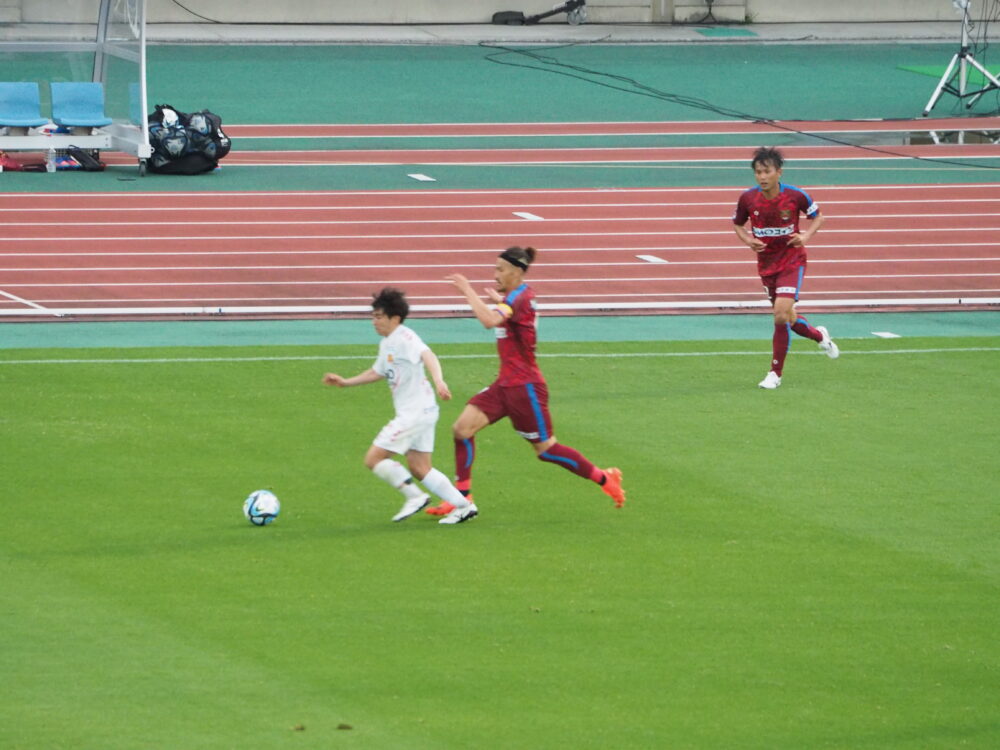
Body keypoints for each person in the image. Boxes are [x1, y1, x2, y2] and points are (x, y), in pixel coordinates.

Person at [424, 245, 625, 516]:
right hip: (504, 385)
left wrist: (467, 291)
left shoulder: (518, 298)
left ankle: (604, 477)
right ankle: (462, 497)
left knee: (546, 449)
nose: (495, 274)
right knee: (462, 430)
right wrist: (498, 301)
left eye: (500, 269)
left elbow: (488, 321)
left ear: (516, 272)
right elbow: (509, 317)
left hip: (525, 388)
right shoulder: (515, 297)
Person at [323, 287, 477, 525]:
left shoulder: (406, 337)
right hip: (425, 412)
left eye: (378, 317)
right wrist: (345, 382)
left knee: (373, 458)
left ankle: (414, 496)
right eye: (372, 316)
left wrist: (438, 379)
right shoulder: (387, 343)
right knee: (419, 467)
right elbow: (377, 371)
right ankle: (464, 506)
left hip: (414, 414)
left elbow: (428, 355)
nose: (374, 322)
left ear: (394, 318)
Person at [732, 146, 840, 390]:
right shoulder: (748, 199)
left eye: (766, 171)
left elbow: (818, 217)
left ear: (778, 173)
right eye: (758, 172)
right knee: (789, 319)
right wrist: (749, 241)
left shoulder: (795, 196)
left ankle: (774, 373)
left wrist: (806, 237)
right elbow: (737, 224)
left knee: (780, 314)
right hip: (767, 265)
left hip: (792, 261)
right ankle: (820, 336)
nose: (762, 177)